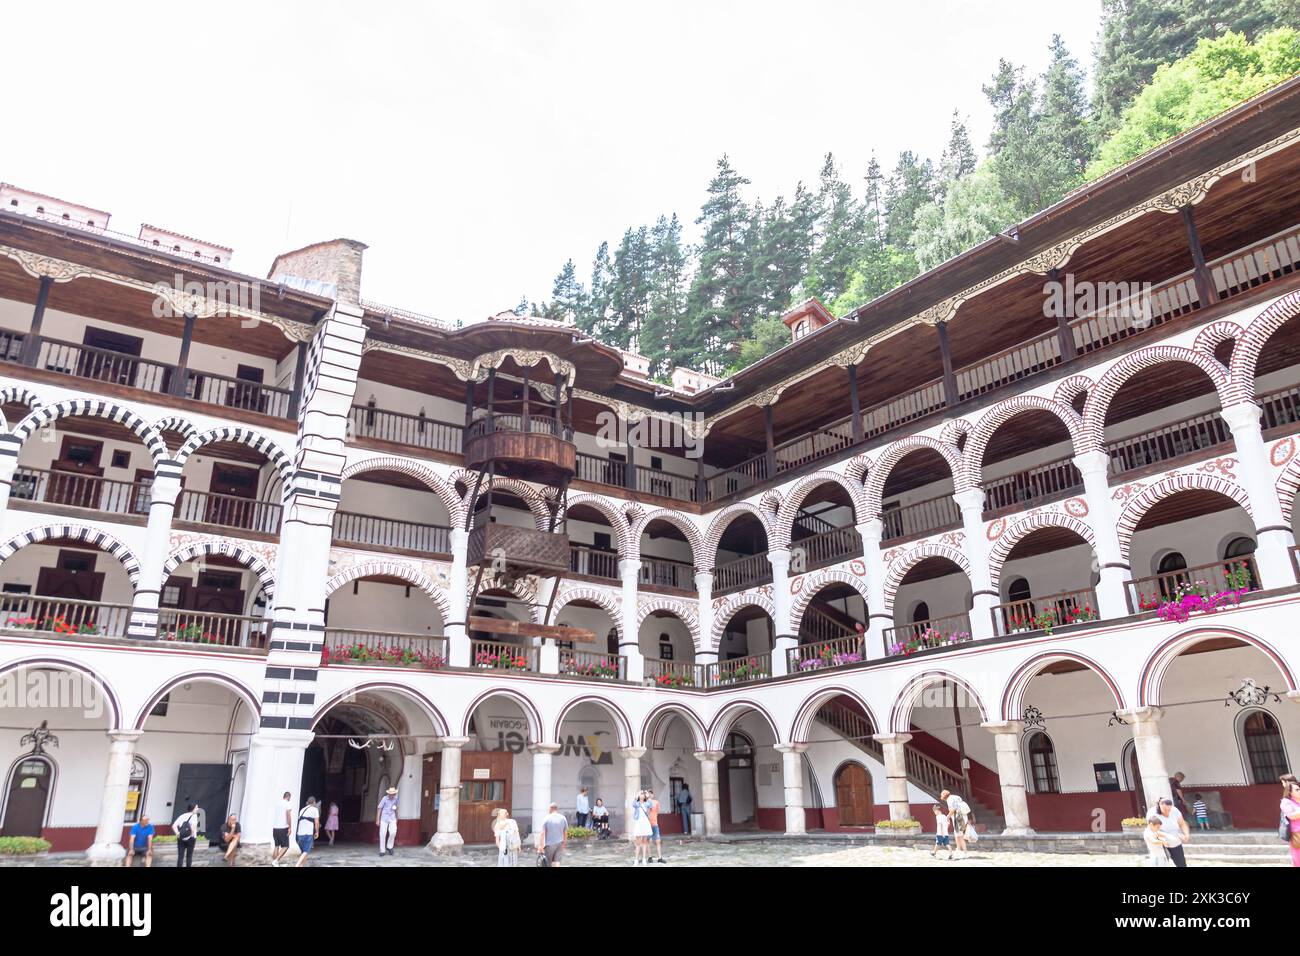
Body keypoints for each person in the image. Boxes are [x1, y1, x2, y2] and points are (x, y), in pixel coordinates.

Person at [1148, 797, 1190, 867]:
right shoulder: (1152, 812)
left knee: (1181, 864)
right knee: (1162, 864)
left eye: (1169, 809)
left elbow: (1182, 823)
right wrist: (1167, 836)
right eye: (1165, 810)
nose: (1167, 812)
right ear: (1159, 806)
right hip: (1161, 844)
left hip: (1175, 842)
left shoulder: (1174, 810)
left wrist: (1186, 835)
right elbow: (1152, 830)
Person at [940, 789, 970, 858]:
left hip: (958, 819)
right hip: (963, 816)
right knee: (957, 835)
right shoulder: (957, 797)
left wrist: (947, 817)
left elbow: (953, 809)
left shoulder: (949, 800)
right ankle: (958, 849)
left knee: (960, 836)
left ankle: (965, 852)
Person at [172, 803, 201, 868]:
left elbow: (174, 826)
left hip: (181, 838)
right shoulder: (194, 816)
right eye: (196, 807)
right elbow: (193, 829)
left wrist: (178, 833)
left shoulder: (182, 815)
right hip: (191, 838)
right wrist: (189, 835)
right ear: (193, 809)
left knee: (180, 856)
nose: (197, 809)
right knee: (189, 856)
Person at [1281, 776, 1300, 867]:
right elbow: (1292, 816)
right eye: (1297, 790)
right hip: (1298, 834)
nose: (1299, 791)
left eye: (1299, 789)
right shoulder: (1286, 802)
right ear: (1290, 792)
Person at [631, 789, 654, 865]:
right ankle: (636, 859)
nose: (642, 795)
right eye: (641, 794)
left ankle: (644, 859)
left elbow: (651, 805)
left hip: (645, 823)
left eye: (642, 794)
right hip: (639, 823)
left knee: (644, 842)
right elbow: (633, 804)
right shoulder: (637, 804)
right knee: (638, 843)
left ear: (644, 796)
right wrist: (636, 795)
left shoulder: (647, 803)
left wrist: (648, 796)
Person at [296, 796, 320, 867]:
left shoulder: (302, 810)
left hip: (299, 833)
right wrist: (317, 832)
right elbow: (317, 822)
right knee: (306, 851)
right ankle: (297, 865)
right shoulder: (315, 810)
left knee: (303, 852)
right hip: (308, 833)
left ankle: (302, 865)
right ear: (314, 802)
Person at [271, 790, 293, 867]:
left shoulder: (278, 803)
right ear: (288, 796)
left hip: (275, 827)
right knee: (286, 846)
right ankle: (276, 861)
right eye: (290, 797)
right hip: (283, 827)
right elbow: (288, 815)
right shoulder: (287, 804)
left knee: (276, 846)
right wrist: (290, 827)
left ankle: (274, 862)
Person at [376, 786, 399, 857]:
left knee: (393, 832)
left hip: (392, 817)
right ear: (389, 793)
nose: (392, 795)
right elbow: (379, 808)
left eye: (393, 794)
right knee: (382, 834)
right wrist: (377, 819)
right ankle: (382, 850)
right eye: (391, 794)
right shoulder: (384, 799)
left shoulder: (396, 799)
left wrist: (397, 817)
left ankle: (389, 846)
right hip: (384, 818)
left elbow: (396, 808)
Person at [646, 789, 665, 863]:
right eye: (649, 793)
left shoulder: (656, 802)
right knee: (647, 841)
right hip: (647, 824)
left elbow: (657, 811)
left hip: (654, 824)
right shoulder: (645, 803)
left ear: (653, 795)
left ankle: (660, 857)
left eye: (651, 793)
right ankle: (649, 857)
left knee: (658, 840)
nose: (650, 795)